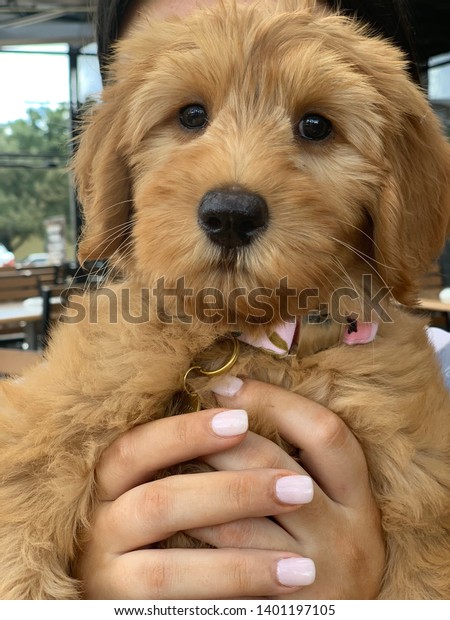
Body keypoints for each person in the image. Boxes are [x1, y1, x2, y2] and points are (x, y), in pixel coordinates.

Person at [73, 0, 421, 599]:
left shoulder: (413, 378)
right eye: (189, 115)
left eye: (315, 126)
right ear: (115, 160)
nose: (234, 188)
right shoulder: (97, 351)